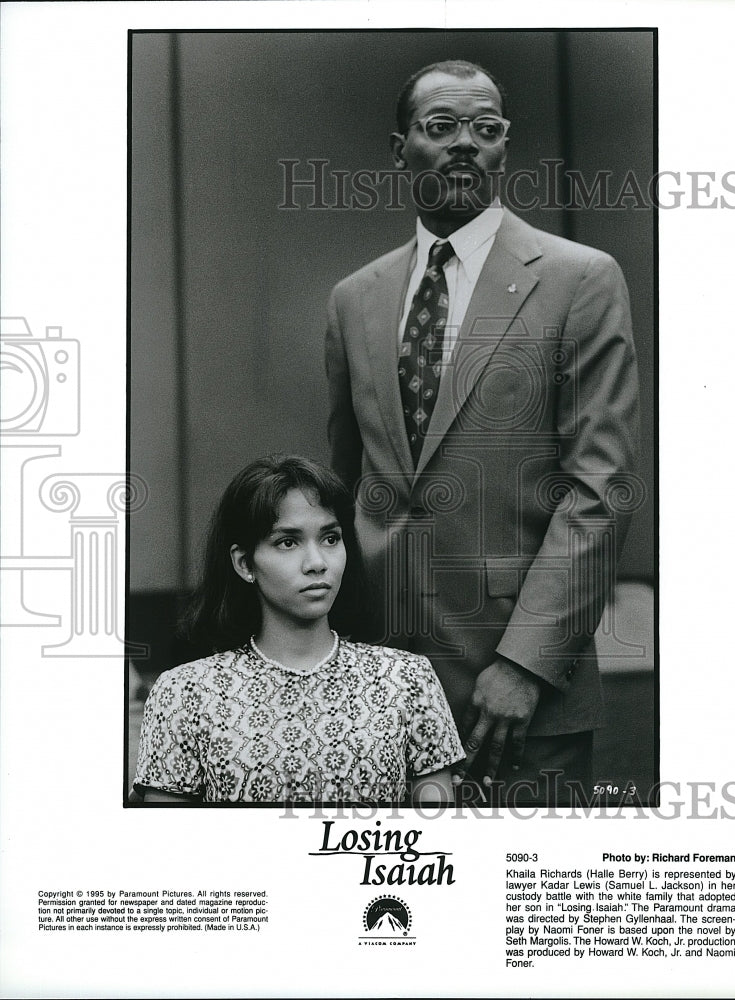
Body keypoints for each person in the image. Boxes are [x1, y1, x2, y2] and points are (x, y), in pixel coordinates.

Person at [325, 60, 640, 804]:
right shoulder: (354, 299)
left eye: (486, 129)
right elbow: (348, 487)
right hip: (380, 684)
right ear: (400, 148)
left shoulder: (580, 279)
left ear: (503, 147)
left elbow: (602, 488)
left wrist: (526, 663)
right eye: (441, 127)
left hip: (516, 684)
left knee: (518, 904)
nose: (465, 143)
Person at [133, 455, 463, 803]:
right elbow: (169, 849)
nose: (317, 563)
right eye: (288, 542)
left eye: (331, 538)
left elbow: (434, 838)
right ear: (245, 564)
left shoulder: (405, 679)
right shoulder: (185, 694)